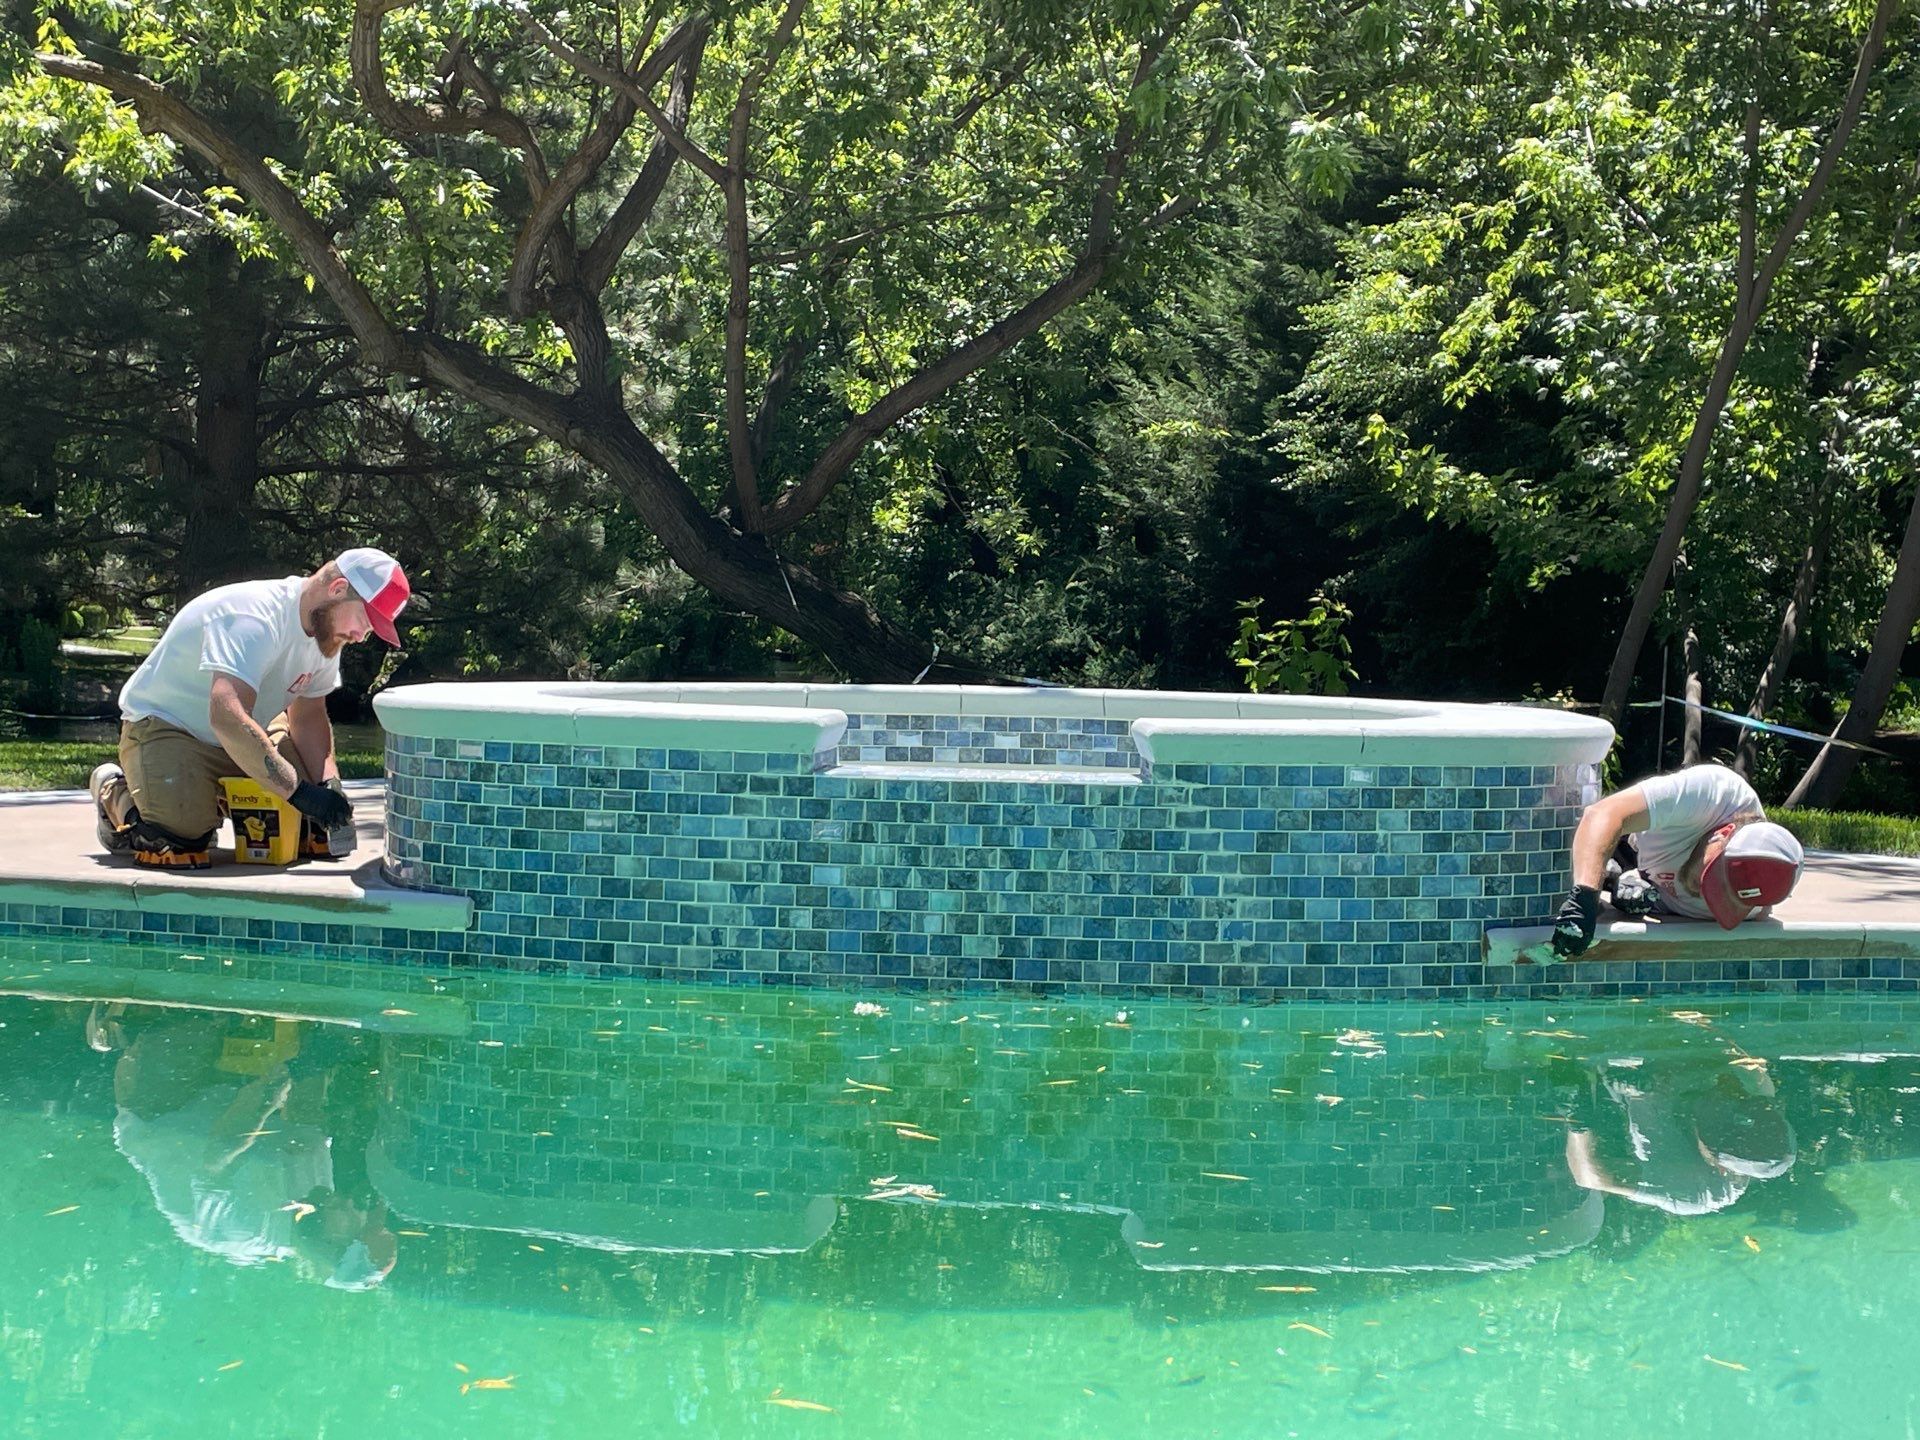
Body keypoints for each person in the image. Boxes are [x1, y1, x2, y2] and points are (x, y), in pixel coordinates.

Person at [89, 548, 410, 868]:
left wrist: (330, 788)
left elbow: (309, 717)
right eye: (364, 620)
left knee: (309, 834)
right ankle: (116, 793)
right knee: (177, 847)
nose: (360, 636)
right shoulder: (254, 616)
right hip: (170, 726)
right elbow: (226, 716)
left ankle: (201, 800)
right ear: (337, 589)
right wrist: (299, 794)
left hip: (246, 730)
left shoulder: (328, 635)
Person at [1550, 762, 1804, 958]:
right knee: (1563, 829)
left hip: (1646, 880)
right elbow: (1601, 814)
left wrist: (1638, 898)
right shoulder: (1711, 793)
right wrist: (1585, 898)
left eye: (1723, 900)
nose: (1705, 893)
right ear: (1721, 834)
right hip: (1632, 844)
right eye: (1712, 879)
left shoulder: (1753, 907)